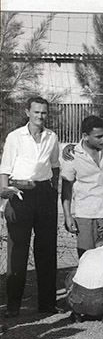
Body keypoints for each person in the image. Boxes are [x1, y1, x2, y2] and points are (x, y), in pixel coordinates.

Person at [0, 96, 60, 317]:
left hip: (44, 195)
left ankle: (47, 305)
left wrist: (53, 191)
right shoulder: (15, 137)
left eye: (43, 112)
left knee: (47, 250)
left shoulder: (52, 137)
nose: (40, 116)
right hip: (20, 194)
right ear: (27, 112)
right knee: (18, 251)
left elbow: (55, 165)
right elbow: (5, 170)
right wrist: (5, 197)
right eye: (36, 112)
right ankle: (13, 306)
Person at [60, 115, 103, 258]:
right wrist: (68, 216)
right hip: (86, 216)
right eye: (98, 137)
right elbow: (66, 189)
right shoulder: (72, 156)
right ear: (85, 136)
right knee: (87, 258)